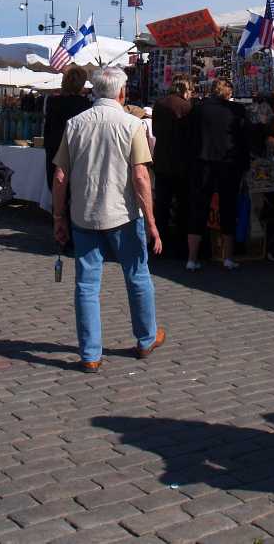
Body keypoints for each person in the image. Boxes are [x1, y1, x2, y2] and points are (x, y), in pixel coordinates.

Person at [51, 67, 164, 373]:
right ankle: (145, 338)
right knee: (138, 276)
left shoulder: (75, 124)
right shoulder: (131, 125)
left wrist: (58, 215)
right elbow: (141, 176)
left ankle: (90, 353)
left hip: (84, 214)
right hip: (124, 214)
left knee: (86, 285)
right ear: (122, 92)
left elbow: (60, 176)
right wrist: (152, 221)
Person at [186, 79, 249, 271]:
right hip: (228, 165)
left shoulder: (198, 109)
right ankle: (227, 257)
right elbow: (243, 139)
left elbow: (190, 136)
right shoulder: (236, 110)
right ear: (228, 92)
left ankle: (192, 258)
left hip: (203, 163)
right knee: (228, 208)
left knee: (199, 209)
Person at [152, 76, 194, 260]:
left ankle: (159, 243)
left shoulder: (159, 104)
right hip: (182, 164)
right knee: (182, 206)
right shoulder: (187, 107)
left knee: (162, 205)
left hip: (162, 162)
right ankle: (180, 246)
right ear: (185, 90)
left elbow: (154, 132)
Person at [43, 66, 92, 191]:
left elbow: (47, 131)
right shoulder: (86, 105)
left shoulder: (52, 102)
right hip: (77, 156)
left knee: (57, 194)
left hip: (55, 152)